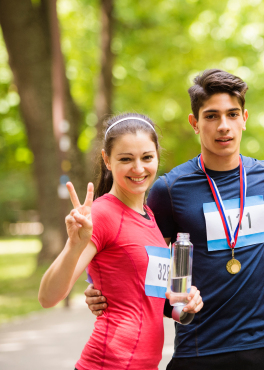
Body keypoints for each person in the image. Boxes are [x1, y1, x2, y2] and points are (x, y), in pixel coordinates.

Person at [85, 70, 264, 369]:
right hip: (199, 347)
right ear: (194, 123)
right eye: (211, 116)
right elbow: (142, 259)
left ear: (245, 117)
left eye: (232, 114)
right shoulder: (168, 189)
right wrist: (105, 290)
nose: (223, 126)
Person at [38, 113, 203, 370]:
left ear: (157, 157)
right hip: (109, 363)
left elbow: (146, 298)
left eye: (147, 157)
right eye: (126, 159)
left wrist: (185, 306)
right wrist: (74, 245)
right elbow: (48, 297)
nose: (138, 168)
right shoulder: (102, 214)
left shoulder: (150, 217)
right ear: (107, 159)